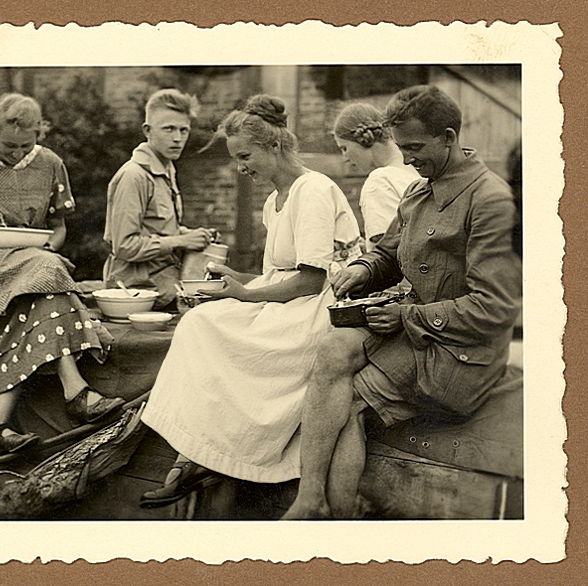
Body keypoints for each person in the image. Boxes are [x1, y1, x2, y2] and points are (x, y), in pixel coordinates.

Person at [282, 85, 522, 519]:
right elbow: (390, 252)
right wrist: (364, 269)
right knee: (332, 348)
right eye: (402, 147)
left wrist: (408, 315)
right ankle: (309, 496)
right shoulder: (418, 191)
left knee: (349, 403)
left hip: (460, 352)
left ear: (448, 137)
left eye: (415, 147)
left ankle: (326, 515)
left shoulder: (489, 200)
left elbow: (495, 308)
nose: (407, 159)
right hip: (418, 332)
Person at [138, 95, 362, 508]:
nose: (242, 168)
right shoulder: (275, 200)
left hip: (318, 312)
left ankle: (206, 455)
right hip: (288, 301)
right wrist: (234, 280)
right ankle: (198, 452)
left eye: (245, 155)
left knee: (206, 327)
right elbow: (277, 274)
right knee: (202, 319)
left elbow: (311, 280)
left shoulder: (313, 190)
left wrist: (244, 294)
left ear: (274, 146)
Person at [0, 93, 124, 457]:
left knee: (42, 287)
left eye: (26, 145)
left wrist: (49, 248)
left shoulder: (51, 164)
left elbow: (58, 228)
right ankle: (76, 392)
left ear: (39, 134)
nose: (17, 153)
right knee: (49, 272)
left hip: (32, 263)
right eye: (9, 145)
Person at [103, 89, 215, 310]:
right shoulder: (133, 176)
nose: (177, 138)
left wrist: (191, 235)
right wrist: (181, 241)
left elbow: (157, 229)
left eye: (184, 130)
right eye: (169, 129)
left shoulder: (166, 170)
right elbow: (124, 246)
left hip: (165, 283)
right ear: (148, 130)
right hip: (138, 291)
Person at [333, 103, 420, 252]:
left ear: (363, 139)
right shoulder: (418, 168)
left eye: (344, 148)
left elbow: (387, 254)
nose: (345, 158)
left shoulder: (380, 181)